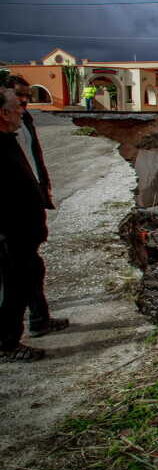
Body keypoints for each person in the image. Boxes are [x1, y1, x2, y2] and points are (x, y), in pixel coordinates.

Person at [7, 75, 69, 338]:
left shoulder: (25, 121)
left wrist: (43, 186)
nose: (24, 101)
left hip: (29, 202)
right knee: (15, 276)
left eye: (27, 96)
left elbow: (34, 157)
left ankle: (40, 318)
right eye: (19, 95)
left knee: (32, 268)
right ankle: (8, 340)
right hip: (11, 215)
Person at [0, 87, 48, 361]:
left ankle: (39, 321)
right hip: (10, 234)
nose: (22, 110)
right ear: (3, 113)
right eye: (17, 106)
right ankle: (6, 344)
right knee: (11, 289)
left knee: (29, 276)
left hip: (23, 233)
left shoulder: (9, 139)